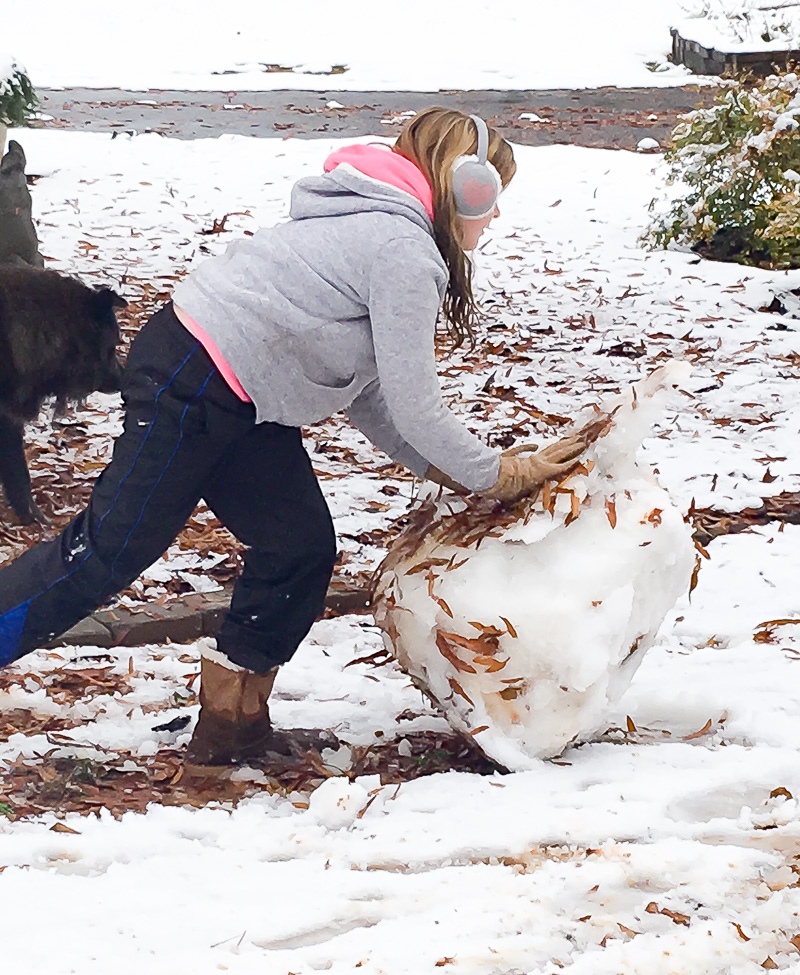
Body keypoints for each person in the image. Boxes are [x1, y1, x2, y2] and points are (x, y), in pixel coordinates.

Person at [0, 108, 593, 768]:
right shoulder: (402, 251)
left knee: (299, 546)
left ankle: (232, 729)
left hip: (240, 393)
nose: (494, 215)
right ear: (462, 186)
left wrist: (460, 471)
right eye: (491, 196)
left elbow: (373, 394)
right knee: (105, 554)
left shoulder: (376, 228)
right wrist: (502, 473)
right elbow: (419, 409)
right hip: (194, 379)